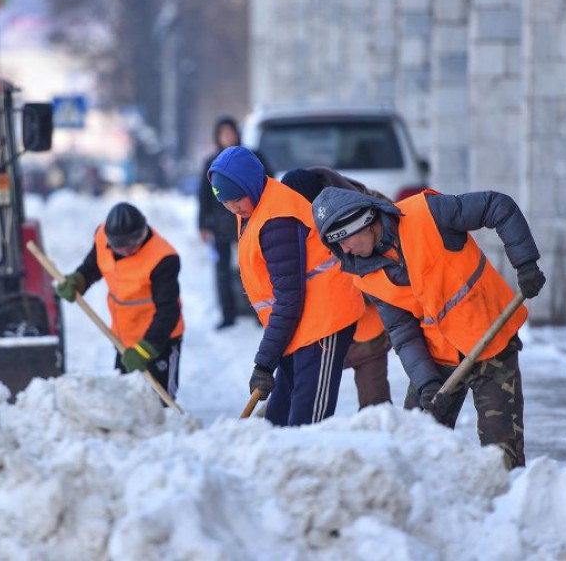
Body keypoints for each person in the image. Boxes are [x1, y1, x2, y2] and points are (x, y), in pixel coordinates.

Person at [310, 186, 546, 469]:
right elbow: (402, 332)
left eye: (344, 240)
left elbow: (497, 205)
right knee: (413, 451)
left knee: (501, 459)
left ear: (362, 221)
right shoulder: (365, 275)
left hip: (491, 341)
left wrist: (525, 263)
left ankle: (508, 508)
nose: (345, 250)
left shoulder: (427, 214)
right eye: (337, 246)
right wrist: (426, 383)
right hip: (439, 358)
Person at [208, 146, 365, 425]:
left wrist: (265, 362)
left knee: (307, 422)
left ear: (250, 183)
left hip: (323, 323)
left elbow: (288, 297)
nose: (233, 208)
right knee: (279, 415)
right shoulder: (256, 207)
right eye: (226, 203)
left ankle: (307, 467)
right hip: (298, 324)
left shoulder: (276, 220)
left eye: (236, 199)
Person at [281, 167, 392, 409]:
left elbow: (390, 258)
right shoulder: (289, 223)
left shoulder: (360, 210)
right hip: (321, 331)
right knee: (302, 399)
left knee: (376, 407)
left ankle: (380, 443)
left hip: (365, 325)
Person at [55, 203, 184, 399]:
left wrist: (146, 350)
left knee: (160, 403)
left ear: (143, 232)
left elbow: (168, 311)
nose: (127, 251)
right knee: (125, 401)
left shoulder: (163, 258)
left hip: (160, 342)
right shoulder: (101, 237)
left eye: (133, 244)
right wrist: (78, 281)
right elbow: (92, 266)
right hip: (123, 340)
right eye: (121, 247)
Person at [197, 116, 244, 330]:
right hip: (221, 225)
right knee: (222, 271)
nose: (227, 136)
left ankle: (260, 311)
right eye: (223, 133)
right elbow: (204, 197)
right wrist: (203, 225)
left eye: (230, 132)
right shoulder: (211, 163)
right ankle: (228, 315)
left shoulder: (250, 157)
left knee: (255, 268)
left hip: (248, 222)